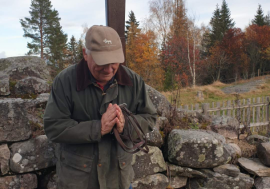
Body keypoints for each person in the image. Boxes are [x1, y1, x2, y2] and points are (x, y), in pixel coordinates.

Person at [43, 25, 157, 189]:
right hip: (78, 182)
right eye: (102, 62)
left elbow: (150, 118)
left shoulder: (133, 81)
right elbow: (53, 126)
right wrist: (98, 128)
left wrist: (126, 125)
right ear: (85, 54)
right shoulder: (64, 82)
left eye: (114, 62)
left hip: (119, 180)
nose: (109, 69)